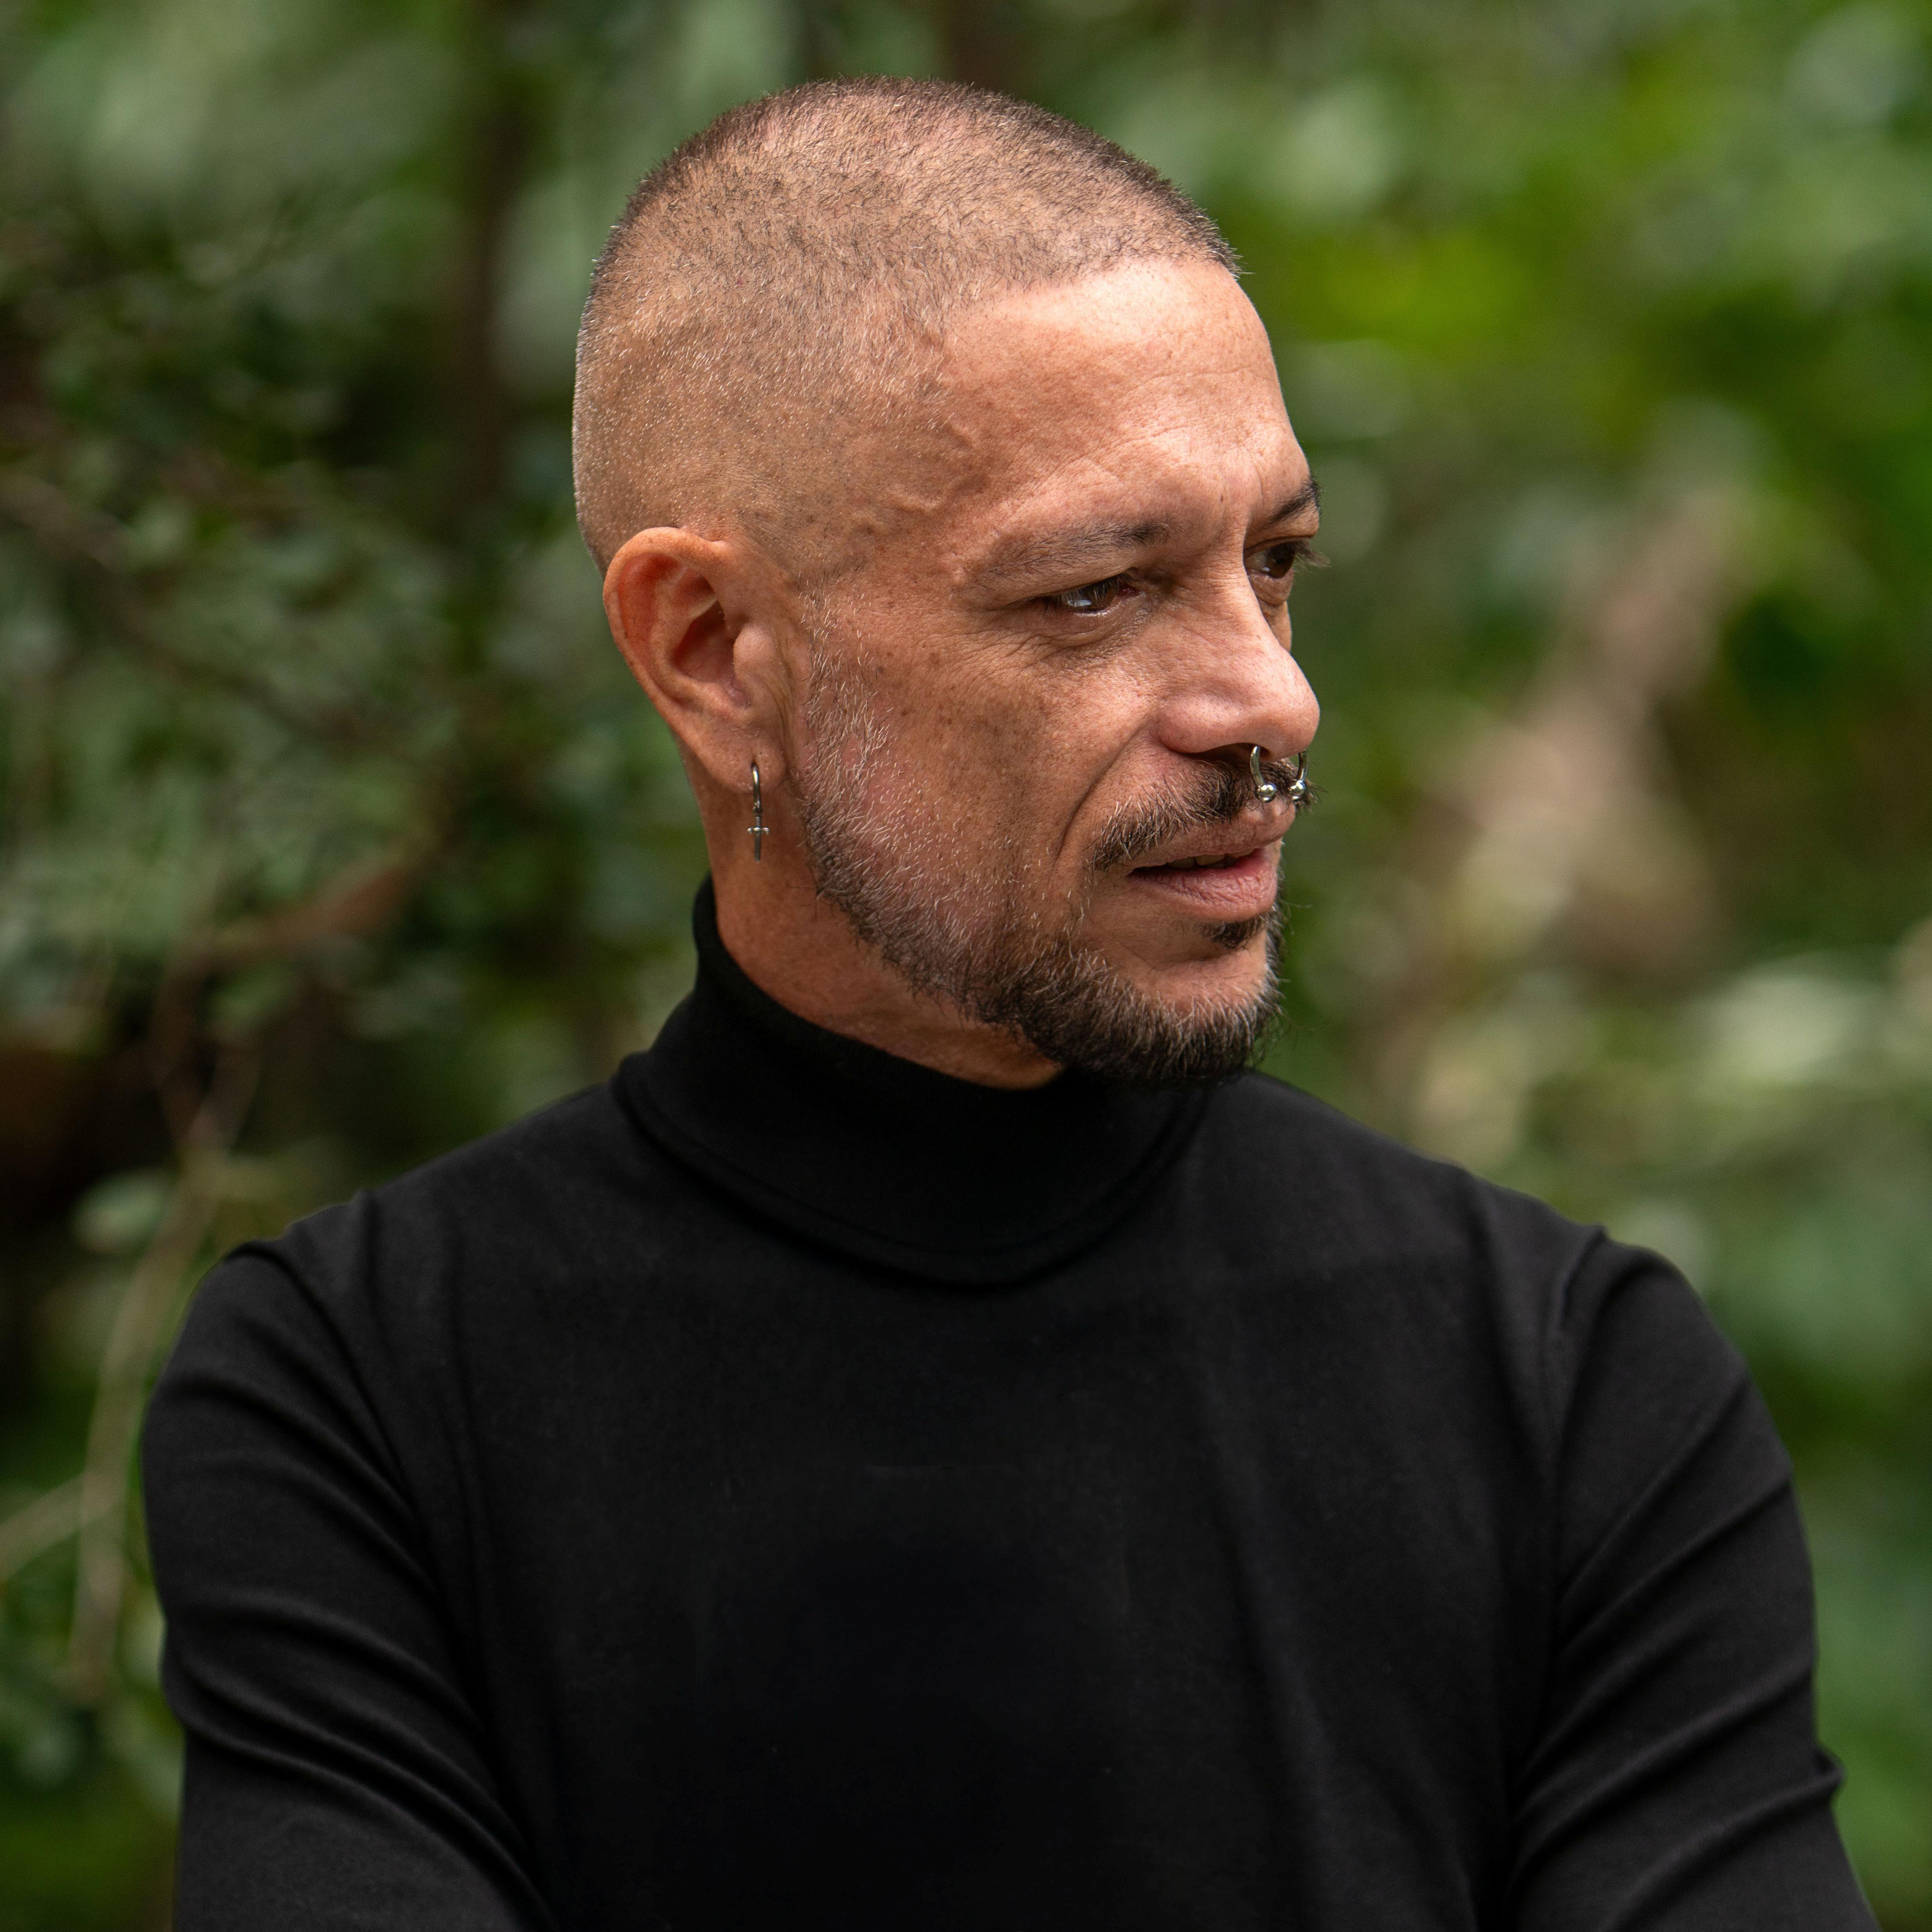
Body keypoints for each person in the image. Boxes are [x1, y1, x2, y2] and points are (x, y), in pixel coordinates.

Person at [144, 77, 1874, 1930]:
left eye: (1271, 565)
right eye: (1094, 592)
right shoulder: (360, 1389)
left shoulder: (1563, 1376)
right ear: (717, 653)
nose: (1270, 701)